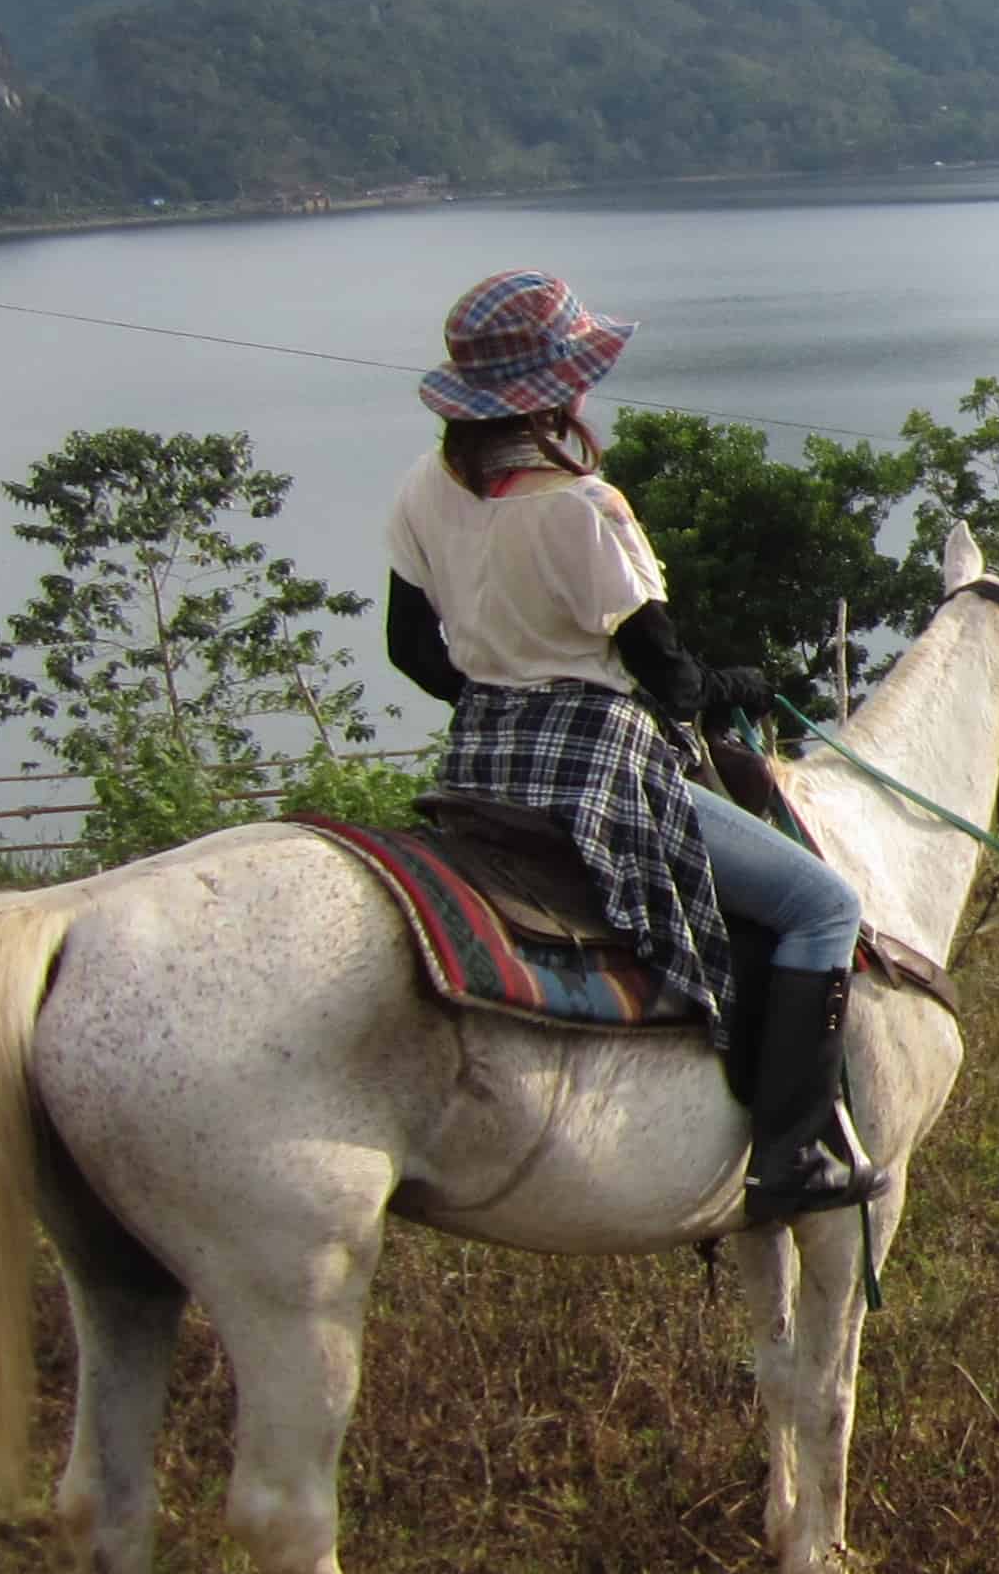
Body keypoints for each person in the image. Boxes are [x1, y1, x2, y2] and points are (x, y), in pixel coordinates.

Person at [381, 269, 891, 1224]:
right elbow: (671, 681)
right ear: (555, 390)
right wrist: (736, 684)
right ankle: (793, 1153)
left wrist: (502, 698)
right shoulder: (583, 507)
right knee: (824, 906)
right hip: (599, 767)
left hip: (481, 762)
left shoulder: (424, 487)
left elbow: (409, 649)